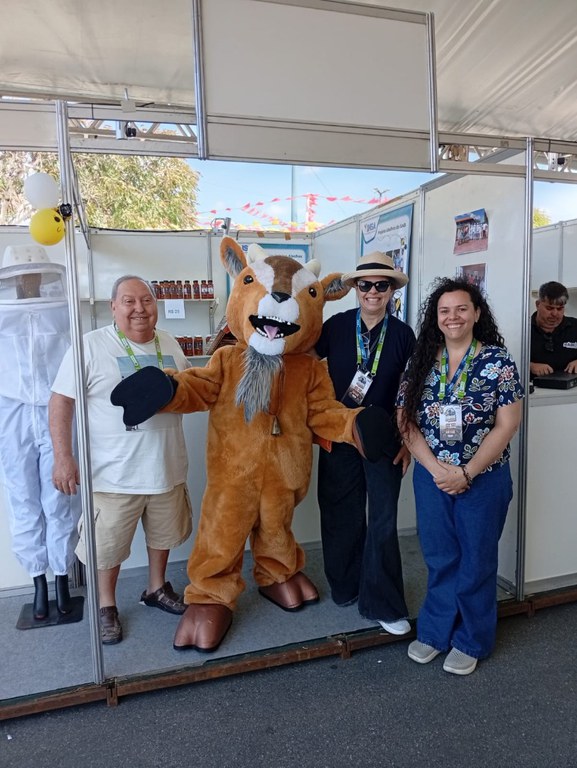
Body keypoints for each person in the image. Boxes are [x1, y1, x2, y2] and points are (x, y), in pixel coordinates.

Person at [49, 275, 194, 645]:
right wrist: (63, 456)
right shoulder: (90, 345)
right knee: (107, 547)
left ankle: (156, 587)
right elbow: (61, 400)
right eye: (129, 301)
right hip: (113, 475)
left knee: (163, 534)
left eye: (146, 300)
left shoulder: (170, 343)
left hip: (165, 466)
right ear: (113, 307)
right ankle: (106, 605)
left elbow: (189, 391)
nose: (139, 309)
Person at [397, 276, 524, 675]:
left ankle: (471, 638)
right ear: (436, 318)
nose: (453, 317)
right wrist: (437, 469)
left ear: (477, 313)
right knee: (440, 557)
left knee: (476, 559)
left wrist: (467, 472)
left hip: (484, 479)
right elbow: (404, 420)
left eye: (461, 309)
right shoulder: (421, 360)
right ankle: (435, 632)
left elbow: (508, 423)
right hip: (432, 478)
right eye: (444, 311)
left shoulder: (498, 362)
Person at [314, 251, 415, 635]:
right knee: (340, 513)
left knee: (383, 519)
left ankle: (384, 603)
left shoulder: (403, 335)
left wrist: (407, 441)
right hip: (339, 434)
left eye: (381, 285)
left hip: (383, 438)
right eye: (365, 285)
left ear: (391, 290)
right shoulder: (336, 327)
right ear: (355, 288)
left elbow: (411, 392)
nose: (373, 292)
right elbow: (304, 364)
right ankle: (346, 585)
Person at [0, 244, 80, 621]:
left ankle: (62, 577)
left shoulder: (63, 309)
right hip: (11, 411)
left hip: (56, 408)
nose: (28, 281)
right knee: (22, 496)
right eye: (22, 275)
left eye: (32, 274)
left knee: (60, 495)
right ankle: (38, 581)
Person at [530, 281, 577, 376]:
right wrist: (529, 366)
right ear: (538, 304)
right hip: (533, 384)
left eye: (560, 309)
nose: (555, 314)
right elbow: (506, 359)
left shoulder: (575, 326)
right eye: (549, 308)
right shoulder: (522, 330)